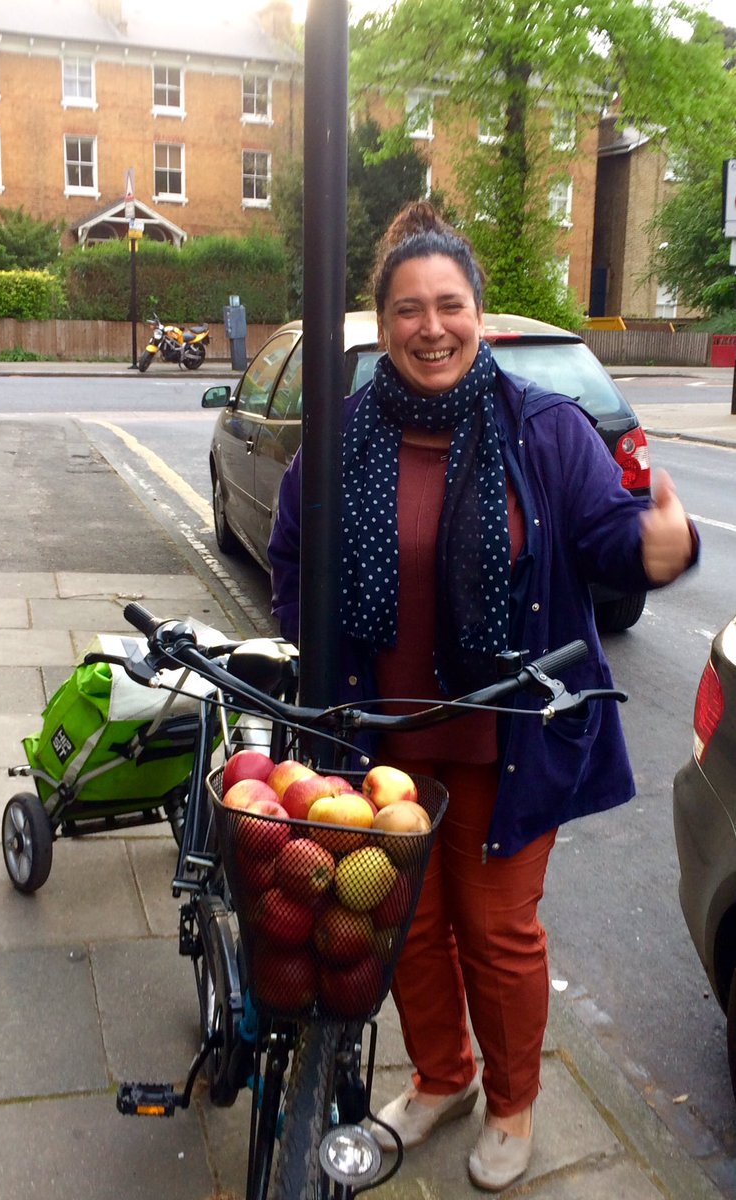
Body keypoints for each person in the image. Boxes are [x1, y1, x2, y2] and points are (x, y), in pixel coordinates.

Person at [267, 201, 697, 1192]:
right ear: (384, 323)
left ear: (478, 313)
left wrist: (655, 550)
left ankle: (510, 1104)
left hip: (511, 738)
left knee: (499, 931)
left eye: (448, 305)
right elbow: (292, 556)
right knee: (404, 922)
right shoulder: (342, 437)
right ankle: (441, 1076)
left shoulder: (541, 428)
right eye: (408, 309)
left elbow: (605, 537)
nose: (430, 327)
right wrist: (313, 646)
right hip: (383, 739)